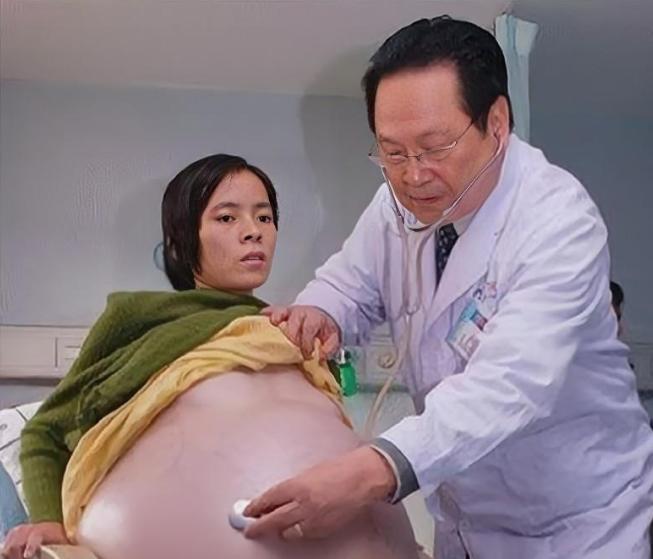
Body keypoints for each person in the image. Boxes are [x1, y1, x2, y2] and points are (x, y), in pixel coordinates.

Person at [243, 16, 653, 559]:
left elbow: (511, 384)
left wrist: (373, 469)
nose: (413, 176)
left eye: (435, 147)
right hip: (465, 521)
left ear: (497, 123)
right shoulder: (394, 207)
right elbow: (349, 281)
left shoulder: (558, 221)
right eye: (392, 152)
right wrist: (321, 312)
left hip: (577, 526)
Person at [2, 154, 419, 559]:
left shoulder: (293, 328)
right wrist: (48, 521)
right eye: (227, 218)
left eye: (264, 217)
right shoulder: (137, 316)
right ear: (181, 241)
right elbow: (46, 431)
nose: (253, 232)